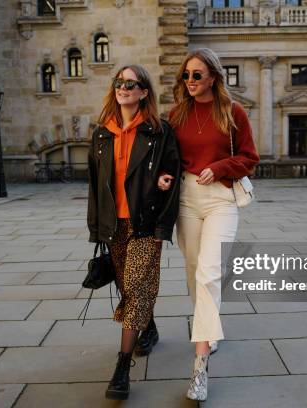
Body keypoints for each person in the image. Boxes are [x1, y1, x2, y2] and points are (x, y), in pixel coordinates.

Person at [159, 48, 259, 401]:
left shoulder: (233, 113)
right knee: (192, 270)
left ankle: (200, 365)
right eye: (186, 75)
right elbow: (167, 158)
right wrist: (165, 177)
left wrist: (218, 167)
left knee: (209, 273)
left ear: (214, 77)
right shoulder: (176, 114)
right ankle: (210, 329)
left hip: (221, 198)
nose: (190, 81)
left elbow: (250, 158)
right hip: (187, 198)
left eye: (197, 75)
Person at [87, 64, 181, 400]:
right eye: (119, 82)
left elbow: (174, 178)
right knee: (131, 287)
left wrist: (162, 227)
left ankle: (122, 365)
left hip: (145, 225)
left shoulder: (159, 132)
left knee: (135, 290)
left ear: (143, 92)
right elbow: (96, 187)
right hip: (115, 228)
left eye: (131, 83)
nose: (123, 87)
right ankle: (149, 328)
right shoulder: (102, 134)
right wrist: (97, 229)